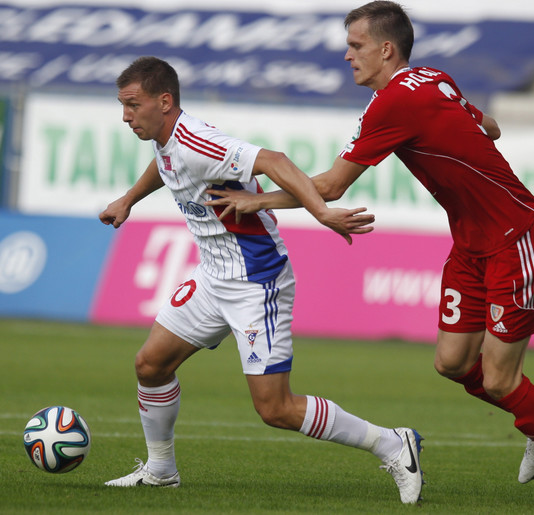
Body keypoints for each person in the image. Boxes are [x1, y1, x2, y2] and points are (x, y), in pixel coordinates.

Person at [206, 2, 534, 513]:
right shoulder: (433, 78)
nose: (348, 55)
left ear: (386, 49)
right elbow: (493, 128)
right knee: (453, 363)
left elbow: (328, 186)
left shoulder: (394, 102)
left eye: (356, 46)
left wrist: (257, 200)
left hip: (515, 236)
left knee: (502, 377)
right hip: (471, 244)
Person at [98, 56, 425, 505]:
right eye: (122, 105)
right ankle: (160, 471)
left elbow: (274, 160)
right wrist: (130, 199)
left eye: (132, 105)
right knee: (150, 365)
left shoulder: (199, 142)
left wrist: (322, 212)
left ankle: (392, 443)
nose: (125, 116)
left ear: (164, 100)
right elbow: (166, 162)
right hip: (214, 277)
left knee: (276, 409)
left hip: (256, 281)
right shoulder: (167, 137)